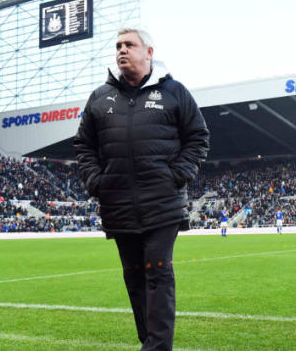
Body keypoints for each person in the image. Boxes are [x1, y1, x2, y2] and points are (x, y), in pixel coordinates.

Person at [74, 28, 209, 351]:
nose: (122, 50)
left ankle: (157, 348)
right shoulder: (99, 98)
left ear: (148, 52)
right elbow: (83, 145)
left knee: (158, 272)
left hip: (162, 203)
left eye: (129, 45)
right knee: (134, 277)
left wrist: (176, 175)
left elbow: (198, 137)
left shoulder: (174, 92)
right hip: (118, 204)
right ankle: (149, 342)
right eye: (118, 46)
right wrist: (96, 181)